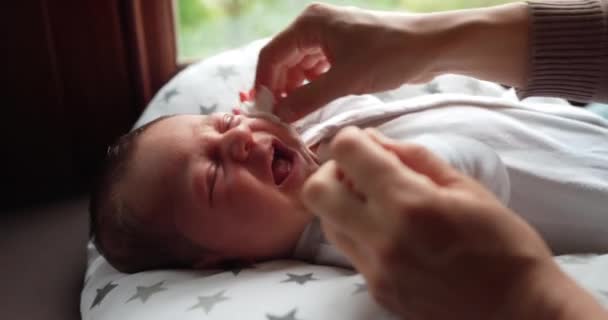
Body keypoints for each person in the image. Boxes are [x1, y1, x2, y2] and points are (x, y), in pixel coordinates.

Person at [253, 0, 608, 319]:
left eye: (226, 123)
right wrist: (418, 166)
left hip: (580, 120)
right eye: (212, 173)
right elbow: (478, 169)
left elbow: (350, 101)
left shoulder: (318, 133)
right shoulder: (344, 229)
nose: (238, 141)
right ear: (218, 256)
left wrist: (287, 102)